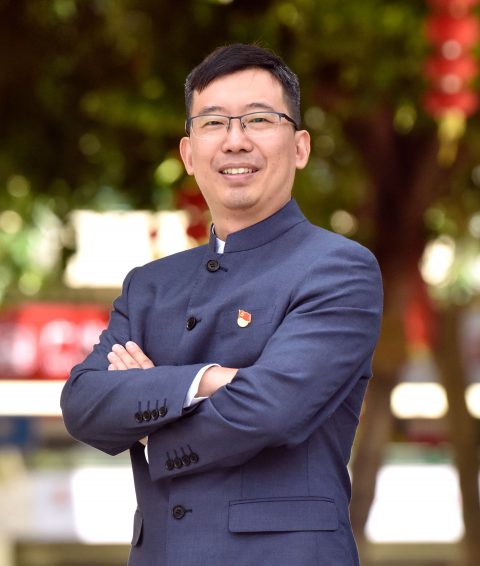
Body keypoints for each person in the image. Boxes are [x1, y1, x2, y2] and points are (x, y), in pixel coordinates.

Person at [61, 43, 383, 566]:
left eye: (259, 119)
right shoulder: (150, 285)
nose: (235, 141)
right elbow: (83, 403)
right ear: (189, 154)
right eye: (213, 123)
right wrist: (208, 380)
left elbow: (272, 410)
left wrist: (151, 425)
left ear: (300, 147)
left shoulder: (338, 269)